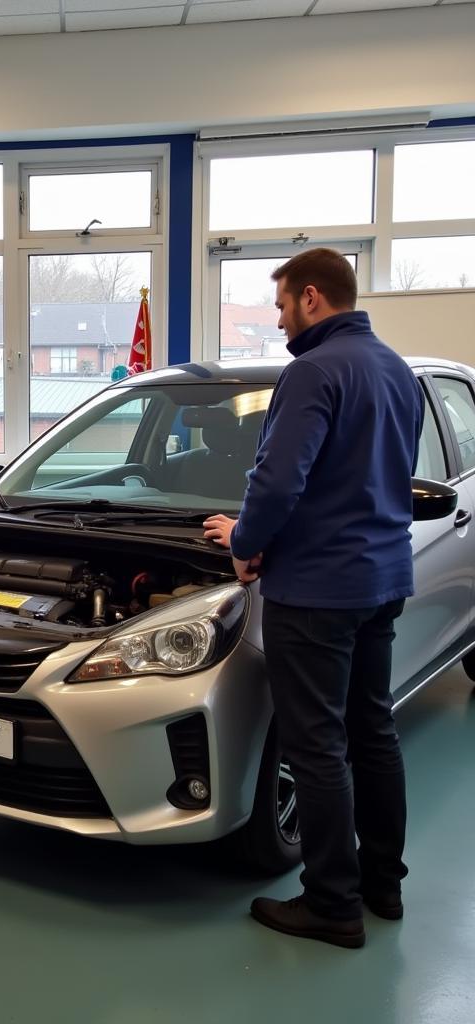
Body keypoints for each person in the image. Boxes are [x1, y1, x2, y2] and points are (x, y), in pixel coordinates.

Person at [202, 248, 423, 949]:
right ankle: (382, 884)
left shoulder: (312, 372)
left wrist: (244, 541)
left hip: (318, 589)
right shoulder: (397, 370)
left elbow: (275, 484)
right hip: (382, 578)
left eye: (282, 303)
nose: (279, 317)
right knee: (373, 733)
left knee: (318, 745)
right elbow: (387, 474)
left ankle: (332, 903)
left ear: (313, 297)